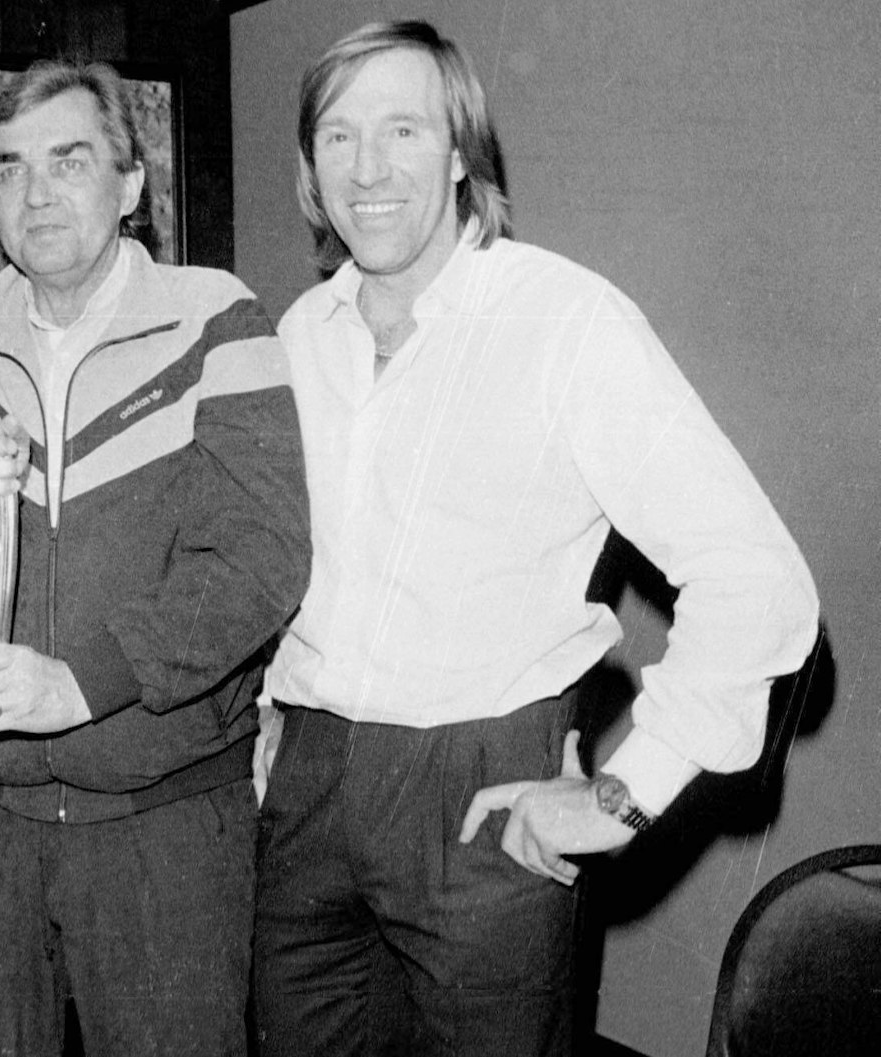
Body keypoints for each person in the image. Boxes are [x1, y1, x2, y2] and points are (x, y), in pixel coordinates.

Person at [251, 20, 821, 1057]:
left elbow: (757, 581)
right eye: (337, 136)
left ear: (460, 153)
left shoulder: (565, 322)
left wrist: (623, 793)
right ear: (309, 167)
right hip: (306, 787)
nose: (367, 167)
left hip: (481, 791)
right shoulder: (294, 339)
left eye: (403, 130)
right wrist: (266, 712)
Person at [0, 59, 311, 1057]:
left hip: (162, 820)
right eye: (8, 170)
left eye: (68, 161)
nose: (36, 194)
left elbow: (263, 556)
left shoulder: (215, 318)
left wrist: (83, 682)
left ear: (130, 186)